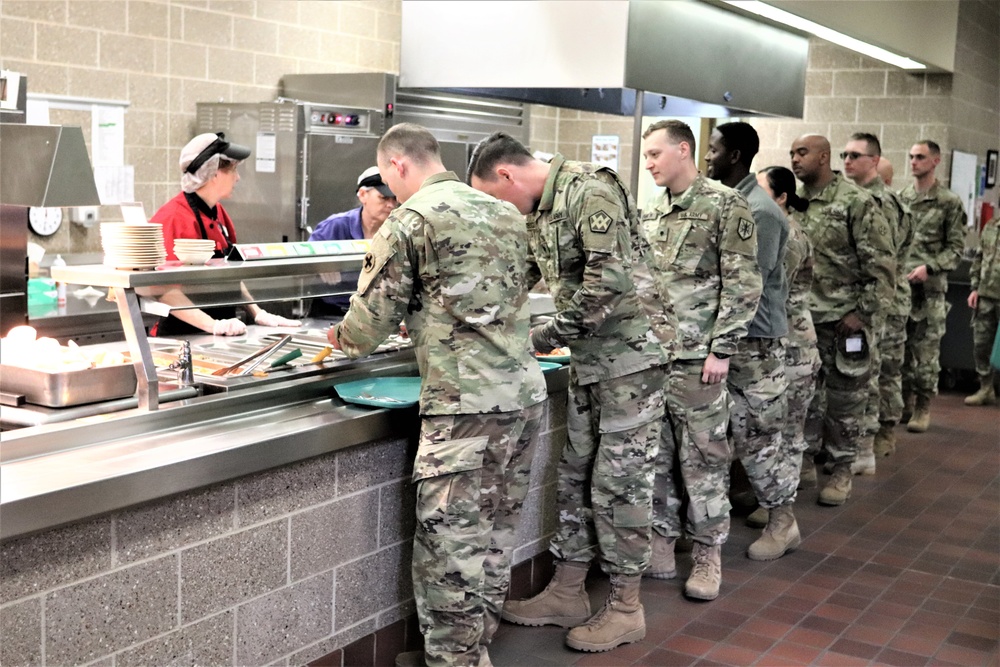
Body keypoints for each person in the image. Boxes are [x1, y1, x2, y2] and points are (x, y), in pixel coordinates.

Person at [325, 123, 548, 667]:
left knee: (449, 549)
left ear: (398, 166)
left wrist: (338, 338)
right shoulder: (504, 212)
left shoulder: (412, 219)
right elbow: (505, 293)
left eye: (387, 179)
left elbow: (364, 329)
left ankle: (452, 661)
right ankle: (477, 648)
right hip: (521, 396)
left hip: (464, 408)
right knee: (494, 533)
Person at [468, 132, 669, 652]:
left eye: (494, 196)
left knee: (620, 485)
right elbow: (528, 271)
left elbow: (608, 282)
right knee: (576, 475)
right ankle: (567, 591)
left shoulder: (589, 191)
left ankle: (627, 607)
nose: (499, 208)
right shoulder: (542, 209)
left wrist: (542, 336)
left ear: (507, 176)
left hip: (630, 363)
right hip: (589, 362)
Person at [640, 120, 761, 598]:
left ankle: (708, 555)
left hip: (699, 362)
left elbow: (743, 282)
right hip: (654, 359)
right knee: (660, 458)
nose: (647, 163)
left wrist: (721, 350)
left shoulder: (724, 205)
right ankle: (663, 542)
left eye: (654, 154)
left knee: (704, 460)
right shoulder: (652, 211)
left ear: (683, 150)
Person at [704, 122, 798, 561]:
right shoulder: (734, 201)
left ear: (736, 155)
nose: (708, 157)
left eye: (714, 149)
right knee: (718, 436)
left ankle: (783, 522)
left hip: (753, 342)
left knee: (757, 435)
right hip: (732, 338)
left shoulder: (757, 210)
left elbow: (746, 285)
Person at [789, 134, 894, 506]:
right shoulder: (795, 203)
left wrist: (860, 313)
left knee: (845, 401)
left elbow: (882, 267)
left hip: (843, 321)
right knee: (804, 400)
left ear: (823, 157)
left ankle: (841, 470)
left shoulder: (856, 202)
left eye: (802, 153)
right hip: (802, 321)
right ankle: (802, 464)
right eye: (792, 154)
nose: (795, 160)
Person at [150, 132, 301, 336]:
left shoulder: (219, 213)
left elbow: (229, 273)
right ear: (213, 173)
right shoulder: (172, 217)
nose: (238, 178)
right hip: (181, 336)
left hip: (216, 334)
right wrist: (213, 326)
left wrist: (257, 312)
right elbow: (164, 290)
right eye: (234, 170)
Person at [842, 133, 912, 463]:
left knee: (877, 371)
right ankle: (851, 441)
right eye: (844, 154)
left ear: (874, 161)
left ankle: (872, 439)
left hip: (880, 302)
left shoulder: (883, 203)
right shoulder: (847, 198)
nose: (847, 160)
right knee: (855, 371)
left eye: (855, 155)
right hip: (850, 300)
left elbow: (884, 261)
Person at [756, 166, 821, 492]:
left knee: (790, 428)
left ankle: (781, 507)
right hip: (776, 342)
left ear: (781, 197)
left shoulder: (790, 235)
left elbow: (772, 288)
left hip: (794, 346)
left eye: (760, 189)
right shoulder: (769, 228)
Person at [899, 140, 968, 431]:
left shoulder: (948, 201)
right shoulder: (901, 197)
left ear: (936, 161)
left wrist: (930, 267)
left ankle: (924, 406)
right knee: (899, 350)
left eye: (921, 157)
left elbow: (956, 248)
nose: (914, 162)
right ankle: (904, 402)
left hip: (930, 289)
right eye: (912, 157)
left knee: (926, 351)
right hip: (902, 288)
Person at [308, 166, 399, 317]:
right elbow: (305, 254)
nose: (390, 205)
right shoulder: (336, 225)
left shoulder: (397, 231)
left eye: (394, 199)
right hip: (331, 312)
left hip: (376, 315)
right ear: (363, 195)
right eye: (383, 198)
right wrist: (321, 263)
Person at [965, 214, 999, 406]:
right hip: (986, 295)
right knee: (982, 344)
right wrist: (975, 287)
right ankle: (986, 388)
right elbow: (979, 257)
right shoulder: (991, 226)